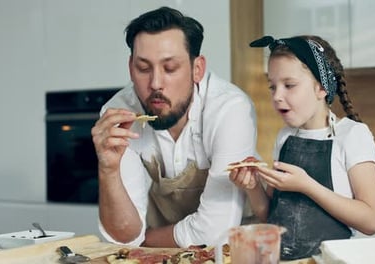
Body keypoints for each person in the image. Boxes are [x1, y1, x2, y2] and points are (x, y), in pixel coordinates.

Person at [91, 6, 258, 248]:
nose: (155, 83)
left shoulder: (230, 109)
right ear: (130, 68)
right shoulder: (118, 115)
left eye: (170, 68)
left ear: (197, 69)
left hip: (234, 251)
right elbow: (124, 238)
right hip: (161, 255)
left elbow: (214, 232)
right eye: (143, 68)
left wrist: (145, 241)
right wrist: (108, 170)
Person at [229, 35, 375, 260]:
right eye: (272, 87)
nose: (277, 96)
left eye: (289, 85)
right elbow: (271, 218)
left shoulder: (352, 135)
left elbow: (372, 221)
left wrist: (307, 186)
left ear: (321, 88)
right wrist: (253, 187)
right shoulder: (285, 137)